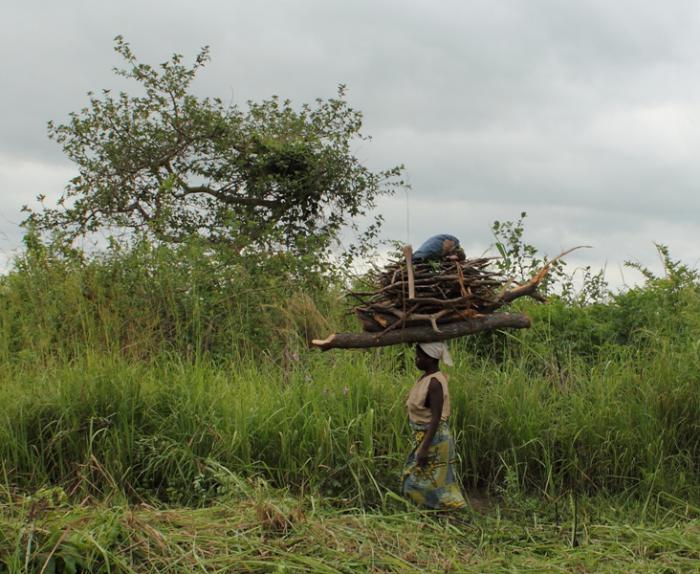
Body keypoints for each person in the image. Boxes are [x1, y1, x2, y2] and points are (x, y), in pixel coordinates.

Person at [402, 342, 467, 510]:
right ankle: (434, 513)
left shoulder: (434, 383)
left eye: (419, 356)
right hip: (426, 437)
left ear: (431, 359)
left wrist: (424, 448)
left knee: (417, 482)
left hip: (435, 440)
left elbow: (436, 418)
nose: (416, 359)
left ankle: (448, 511)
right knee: (429, 483)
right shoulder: (426, 378)